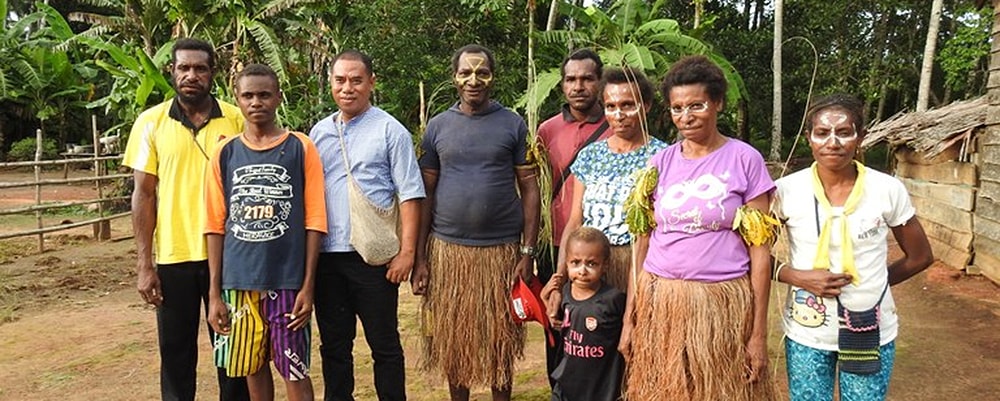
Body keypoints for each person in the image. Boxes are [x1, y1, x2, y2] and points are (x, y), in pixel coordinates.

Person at [619, 55, 777, 400]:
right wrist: (630, 319)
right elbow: (641, 246)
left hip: (721, 304)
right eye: (677, 108)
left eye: (696, 105)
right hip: (662, 300)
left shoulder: (744, 159)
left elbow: (760, 253)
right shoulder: (659, 163)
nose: (686, 117)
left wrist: (757, 335)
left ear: (718, 103)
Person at [772, 94, 933, 401]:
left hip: (871, 328)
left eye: (844, 132)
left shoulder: (886, 189)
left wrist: (874, 284)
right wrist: (797, 277)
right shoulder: (785, 191)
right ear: (809, 138)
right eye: (822, 133)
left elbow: (920, 256)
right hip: (807, 333)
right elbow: (752, 255)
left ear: (860, 137)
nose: (833, 142)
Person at [122, 37, 250, 401]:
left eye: (200, 68)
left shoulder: (237, 119)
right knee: (176, 354)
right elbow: (144, 195)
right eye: (184, 68)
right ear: (172, 72)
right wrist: (144, 264)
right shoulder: (151, 122)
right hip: (174, 257)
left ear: (213, 74)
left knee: (233, 355)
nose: (191, 75)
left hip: (229, 257)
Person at [415, 44, 541, 401]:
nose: (474, 80)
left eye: (482, 72)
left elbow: (530, 189)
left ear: (492, 77)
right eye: (466, 73)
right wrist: (421, 258)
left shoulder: (512, 124)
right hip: (449, 252)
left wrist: (527, 251)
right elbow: (425, 192)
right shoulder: (437, 126)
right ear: (454, 77)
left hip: (502, 252)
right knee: (457, 344)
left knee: (500, 343)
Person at [204, 63, 326, 401]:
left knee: (295, 369)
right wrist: (214, 293)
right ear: (237, 100)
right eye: (248, 95)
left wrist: (308, 285)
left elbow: (315, 219)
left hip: (287, 282)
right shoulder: (225, 152)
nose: (256, 102)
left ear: (278, 98)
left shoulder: (300, 147)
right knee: (252, 367)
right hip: (239, 283)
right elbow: (215, 224)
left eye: (264, 95)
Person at [309, 50, 425, 401]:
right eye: (340, 80)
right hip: (328, 258)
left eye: (356, 80)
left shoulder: (391, 131)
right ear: (330, 83)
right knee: (334, 346)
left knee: (385, 345)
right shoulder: (318, 133)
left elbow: (411, 194)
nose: (348, 88)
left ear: (371, 83)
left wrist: (406, 253)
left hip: (374, 261)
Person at [548, 67, 667, 296]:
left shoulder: (664, 158)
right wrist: (560, 278)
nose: (619, 115)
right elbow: (575, 221)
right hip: (592, 270)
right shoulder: (591, 155)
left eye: (628, 105)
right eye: (611, 107)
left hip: (642, 267)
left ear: (647, 106)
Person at [536, 48, 607, 387]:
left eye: (587, 78)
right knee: (558, 320)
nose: (578, 86)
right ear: (562, 85)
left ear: (600, 82)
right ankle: (559, 388)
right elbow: (535, 186)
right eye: (571, 79)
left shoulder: (616, 125)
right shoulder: (546, 130)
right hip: (555, 245)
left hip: (603, 250)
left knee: (602, 323)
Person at [542, 227, 626, 401]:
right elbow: (558, 326)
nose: (582, 270)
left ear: (605, 265)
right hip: (566, 386)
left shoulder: (614, 300)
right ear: (566, 263)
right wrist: (544, 299)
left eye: (591, 264)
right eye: (575, 262)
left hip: (601, 389)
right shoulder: (564, 294)